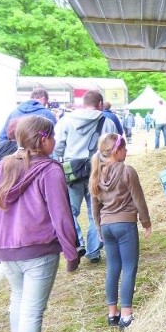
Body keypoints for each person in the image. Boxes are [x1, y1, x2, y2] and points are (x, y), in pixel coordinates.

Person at [0, 115, 79, 332]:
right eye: (52, 136)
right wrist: (71, 251)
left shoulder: (3, 166)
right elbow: (61, 215)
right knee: (31, 312)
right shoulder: (50, 170)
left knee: (17, 305)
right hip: (38, 250)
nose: (55, 141)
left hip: (6, 248)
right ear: (43, 139)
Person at [90, 133, 151, 332]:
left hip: (107, 226)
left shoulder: (97, 173)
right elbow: (138, 199)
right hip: (125, 225)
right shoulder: (127, 171)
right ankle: (126, 315)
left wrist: (99, 227)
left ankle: (112, 313)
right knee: (129, 267)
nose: (127, 152)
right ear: (117, 151)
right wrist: (146, 222)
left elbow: (95, 205)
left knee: (113, 268)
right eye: (124, 149)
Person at [54, 90, 118, 264]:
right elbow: (114, 147)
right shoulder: (107, 121)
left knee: (70, 212)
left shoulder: (66, 120)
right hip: (98, 171)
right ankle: (94, 251)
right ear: (100, 104)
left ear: (83, 103)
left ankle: (77, 244)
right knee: (96, 212)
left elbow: (57, 147)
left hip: (71, 171)